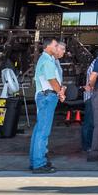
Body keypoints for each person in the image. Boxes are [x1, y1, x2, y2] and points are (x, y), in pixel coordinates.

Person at [29, 38, 65, 173]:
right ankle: (39, 163)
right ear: (47, 47)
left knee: (39, 130)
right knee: (43, 131)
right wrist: (60, 91)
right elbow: (51, 79)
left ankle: (35, 161)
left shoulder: (45, 60)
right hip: (47, 96)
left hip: (43, 95)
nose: (57, 48)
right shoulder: (47, 61)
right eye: (55, 45)